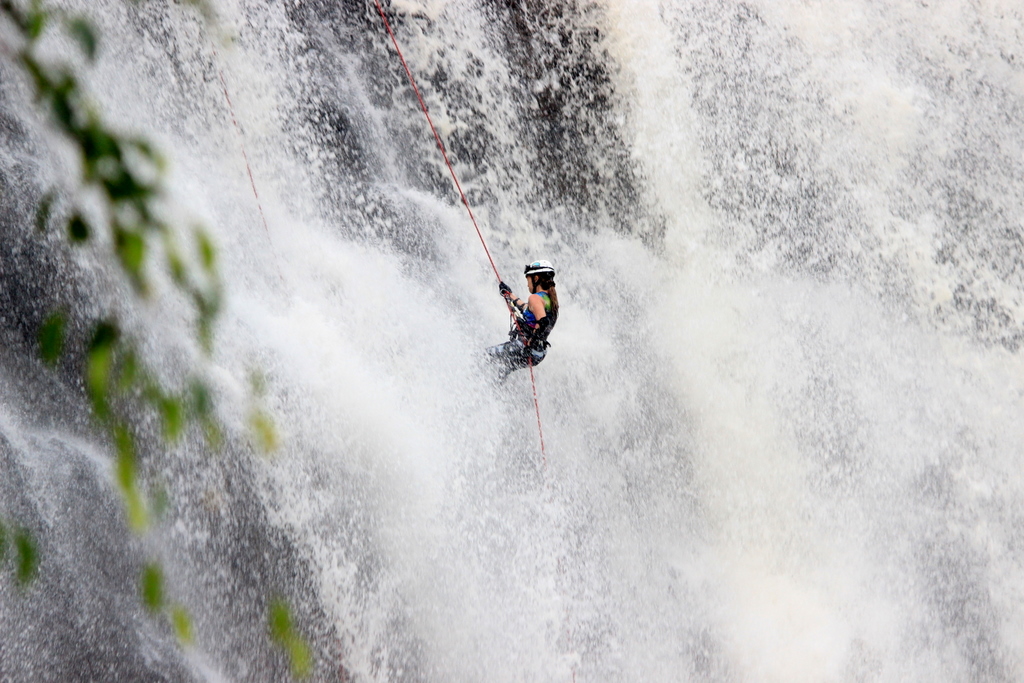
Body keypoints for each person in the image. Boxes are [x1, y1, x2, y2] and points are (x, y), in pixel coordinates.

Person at [486, 260, 559, 379]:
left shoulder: (535, 298)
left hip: (524, 347)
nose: (527, 285)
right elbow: (526, 309)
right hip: (539, 354)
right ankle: (494, 389)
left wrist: (530, 343)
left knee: (483, 357)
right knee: (502, 369)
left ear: (536, 278)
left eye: (528, 280)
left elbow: (543, 322)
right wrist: (509, 294)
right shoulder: (550, 300)